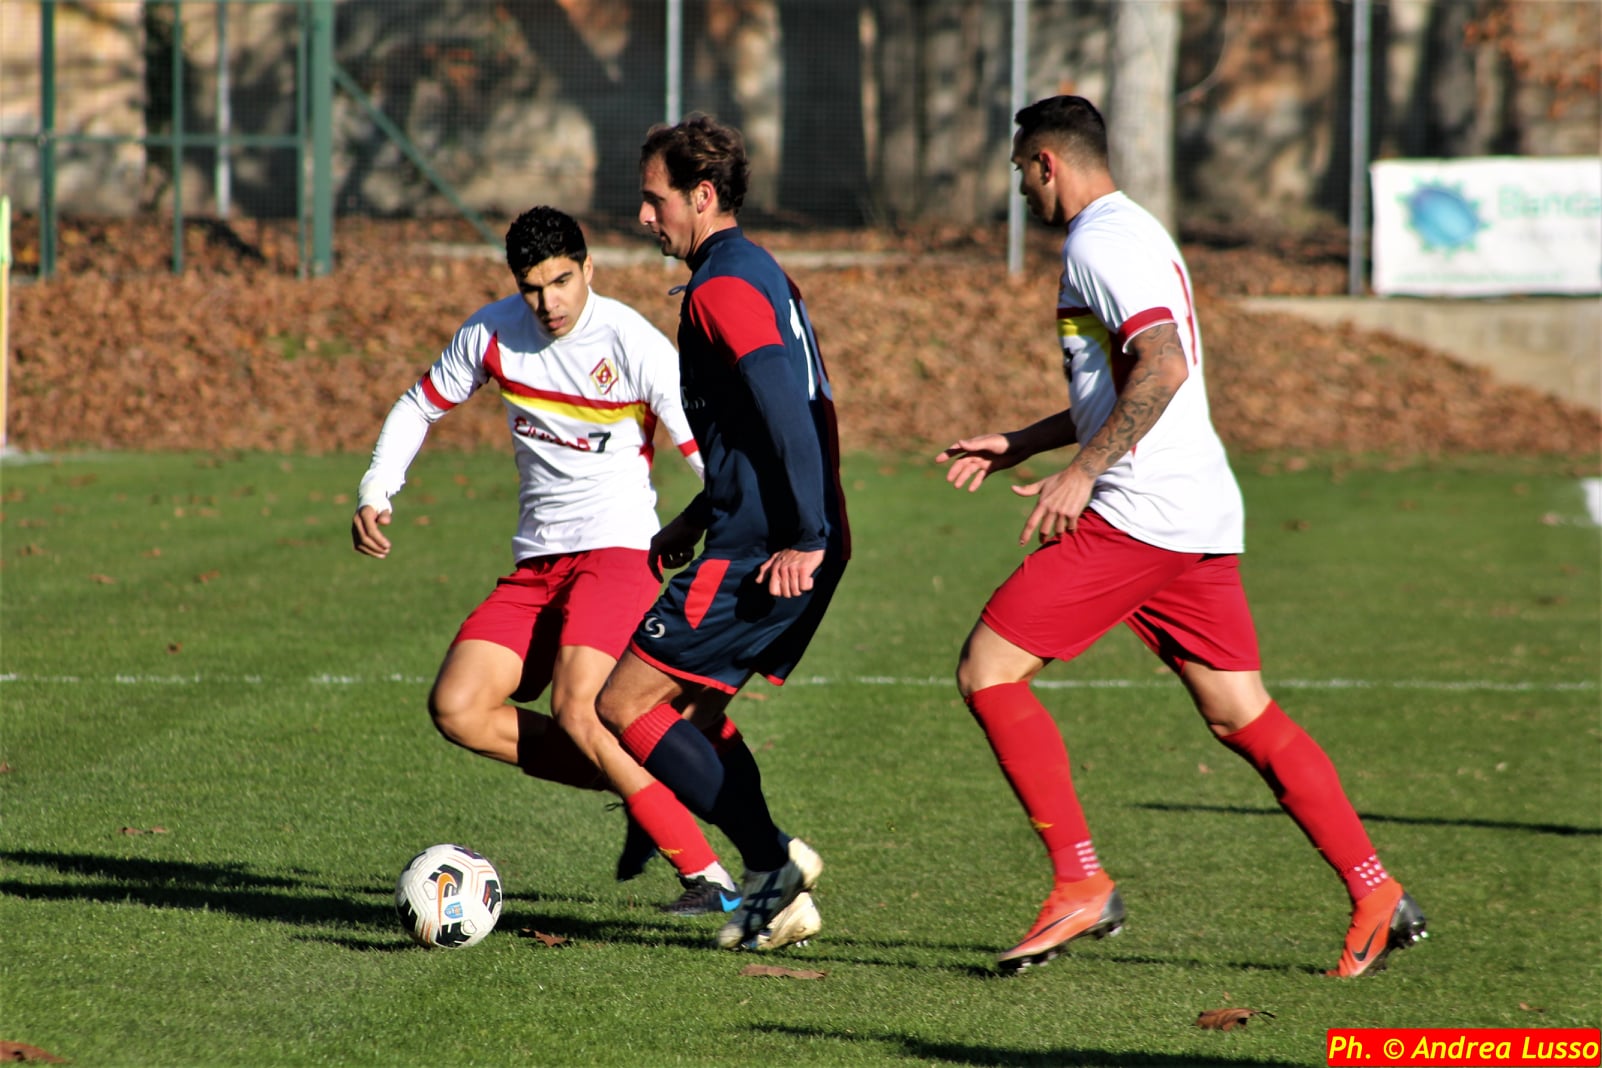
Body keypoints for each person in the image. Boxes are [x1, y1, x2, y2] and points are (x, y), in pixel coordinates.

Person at [936, 95, 1427, 977]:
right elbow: (1121, 381)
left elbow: (1163, 364)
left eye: (1020, 173)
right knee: (1241, 712)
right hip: (1193, 511)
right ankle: (1374, 890)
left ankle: (1079, 882)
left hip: (1139, 511)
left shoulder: (1100, 243)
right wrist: (1023, 441)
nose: (1019, 192)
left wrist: (1085, 472)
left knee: (988, 671)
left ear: (1048, 163)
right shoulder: (1134, 231)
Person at [351, 205, 742, 917]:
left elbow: (711, 462)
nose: (550, 301)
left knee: (579, 708)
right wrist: (377, 490)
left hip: (618, 551)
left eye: (563, 280)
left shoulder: (633, 342)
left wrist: (723, 535)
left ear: (589, 268)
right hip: (537, 565)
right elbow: (418, 406)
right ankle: (637, 781)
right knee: (458, 707)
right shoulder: (492, 333)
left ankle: (707, 875)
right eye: (533, 287)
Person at [594, 115, 850, 953]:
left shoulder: (723, 288)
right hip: (763, 530)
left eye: (654, 199)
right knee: (694, 715)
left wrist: (804, 535)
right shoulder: (750, 272)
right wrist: (697, 515)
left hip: (767, 547)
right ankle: (775, 875)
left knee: (624, 705)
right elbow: (756, 427)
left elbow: (792, 411)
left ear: (702, 197)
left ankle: (772, 870)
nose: (644, 216)